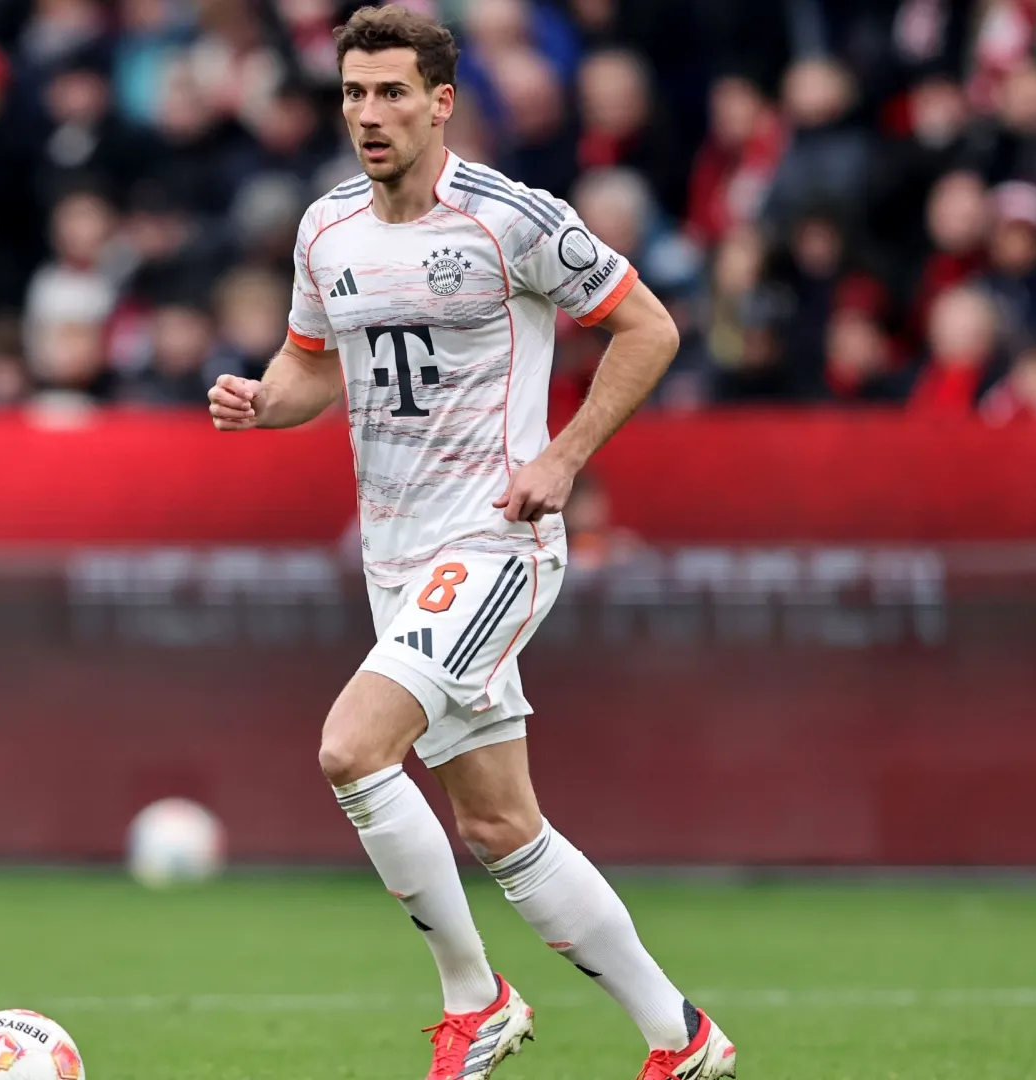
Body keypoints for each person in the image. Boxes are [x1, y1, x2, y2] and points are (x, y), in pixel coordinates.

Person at [205, 8, 735, 1080]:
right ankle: (682, 1039)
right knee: (499, 827)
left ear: (442, 102)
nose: (369, 114)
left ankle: (475, 998)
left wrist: (567, 456)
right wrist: (264, 400)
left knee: (352, 749)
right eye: (354, 94)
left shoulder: (512, 218)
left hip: (495, 543)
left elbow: (651, 328)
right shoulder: (326, 231)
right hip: (396, 561)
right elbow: (317, 364)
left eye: (392, 92)